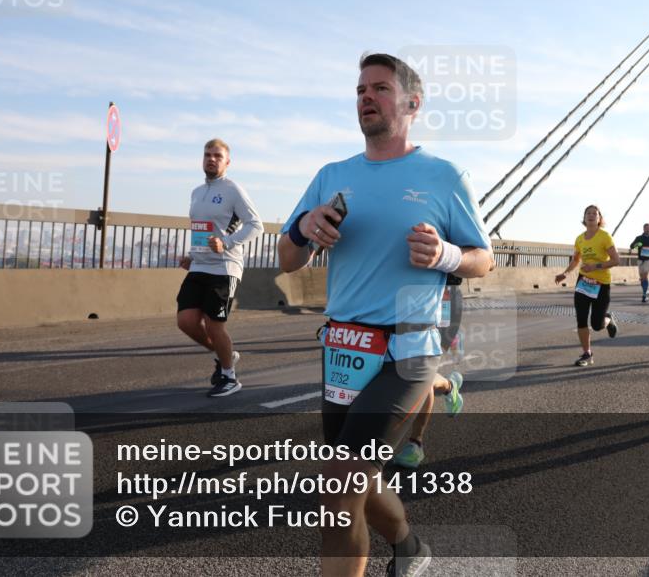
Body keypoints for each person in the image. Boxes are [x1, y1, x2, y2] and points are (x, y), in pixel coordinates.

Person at [277, 53, 494, 577]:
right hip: (344, 352)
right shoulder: (332, 175)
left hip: (408, 347)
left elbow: (483, 259)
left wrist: (446, 255)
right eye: (359, 90)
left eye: (379, 88)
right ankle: (411, 546)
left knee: (340, 482)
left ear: (412, 104)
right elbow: (286, 260)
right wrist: (305, 226)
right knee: (357, 478)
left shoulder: (443, 176)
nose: (366, 98)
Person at [176, 139, 264, 398]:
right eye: (207, 155)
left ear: (227, 162)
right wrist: (192, 256)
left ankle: (229, 376)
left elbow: (255, 224)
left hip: (225, 267)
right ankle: (224, 354)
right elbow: (203, 231)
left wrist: (226, 242)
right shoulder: (196, 192)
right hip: (200, 265)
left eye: (217, 155)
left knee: (215, 325)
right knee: (186, 321)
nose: (211, 159)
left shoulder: (233, 189)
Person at [392, 284, 465, 469]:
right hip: (401, 316)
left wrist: (446, 339)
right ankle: (450, 387)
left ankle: (415, 444)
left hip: (438, 315)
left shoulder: (445, 282)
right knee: (412, 375)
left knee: (423, 378)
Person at [555, 205, 620, 366]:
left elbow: (615, 260)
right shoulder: (579, 239)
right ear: (584, 218)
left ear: (599, 219)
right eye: (588, 213)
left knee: (597, 325)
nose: (591, 216)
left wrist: (595, 266)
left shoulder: (605, 237)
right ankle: (587, 354)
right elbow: (576, 260)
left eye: (594, 214)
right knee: (581, 319)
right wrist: (566, 273)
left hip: (601, 284)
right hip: (583, 283)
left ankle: (608, 320)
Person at [629, 223, 649, 303]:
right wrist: (637, 244)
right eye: (646, 228)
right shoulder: (639, 238)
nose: (647, 229)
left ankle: (644, 295)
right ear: (643, 229)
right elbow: (632, 246)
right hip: (641, 260)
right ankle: (645, 290)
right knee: (642, 278)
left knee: (645, 276)